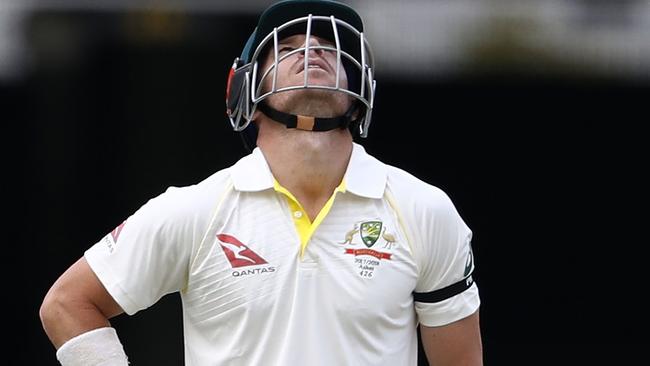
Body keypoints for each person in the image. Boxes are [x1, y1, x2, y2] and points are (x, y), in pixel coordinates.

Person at [39, 0, 483, 365]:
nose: (312, 51)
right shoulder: (196, 209)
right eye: (288, 47)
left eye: (330, 47)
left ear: (359, 87)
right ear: (246, 93)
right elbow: (66, 304)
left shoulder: (423, 209)